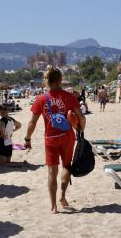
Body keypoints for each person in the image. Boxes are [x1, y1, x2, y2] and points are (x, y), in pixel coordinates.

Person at [24, 65, 86, 214]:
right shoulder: (70, 97)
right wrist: (80, 127)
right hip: (67, 137)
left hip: (50, 139)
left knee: (52, 172)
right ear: (60, 80)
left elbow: (32, 122)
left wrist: (27, 139)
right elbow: (81, 117)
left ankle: (53, 207)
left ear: (47, 81)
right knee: (66, 166)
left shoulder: (41, 99)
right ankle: (62, 196)